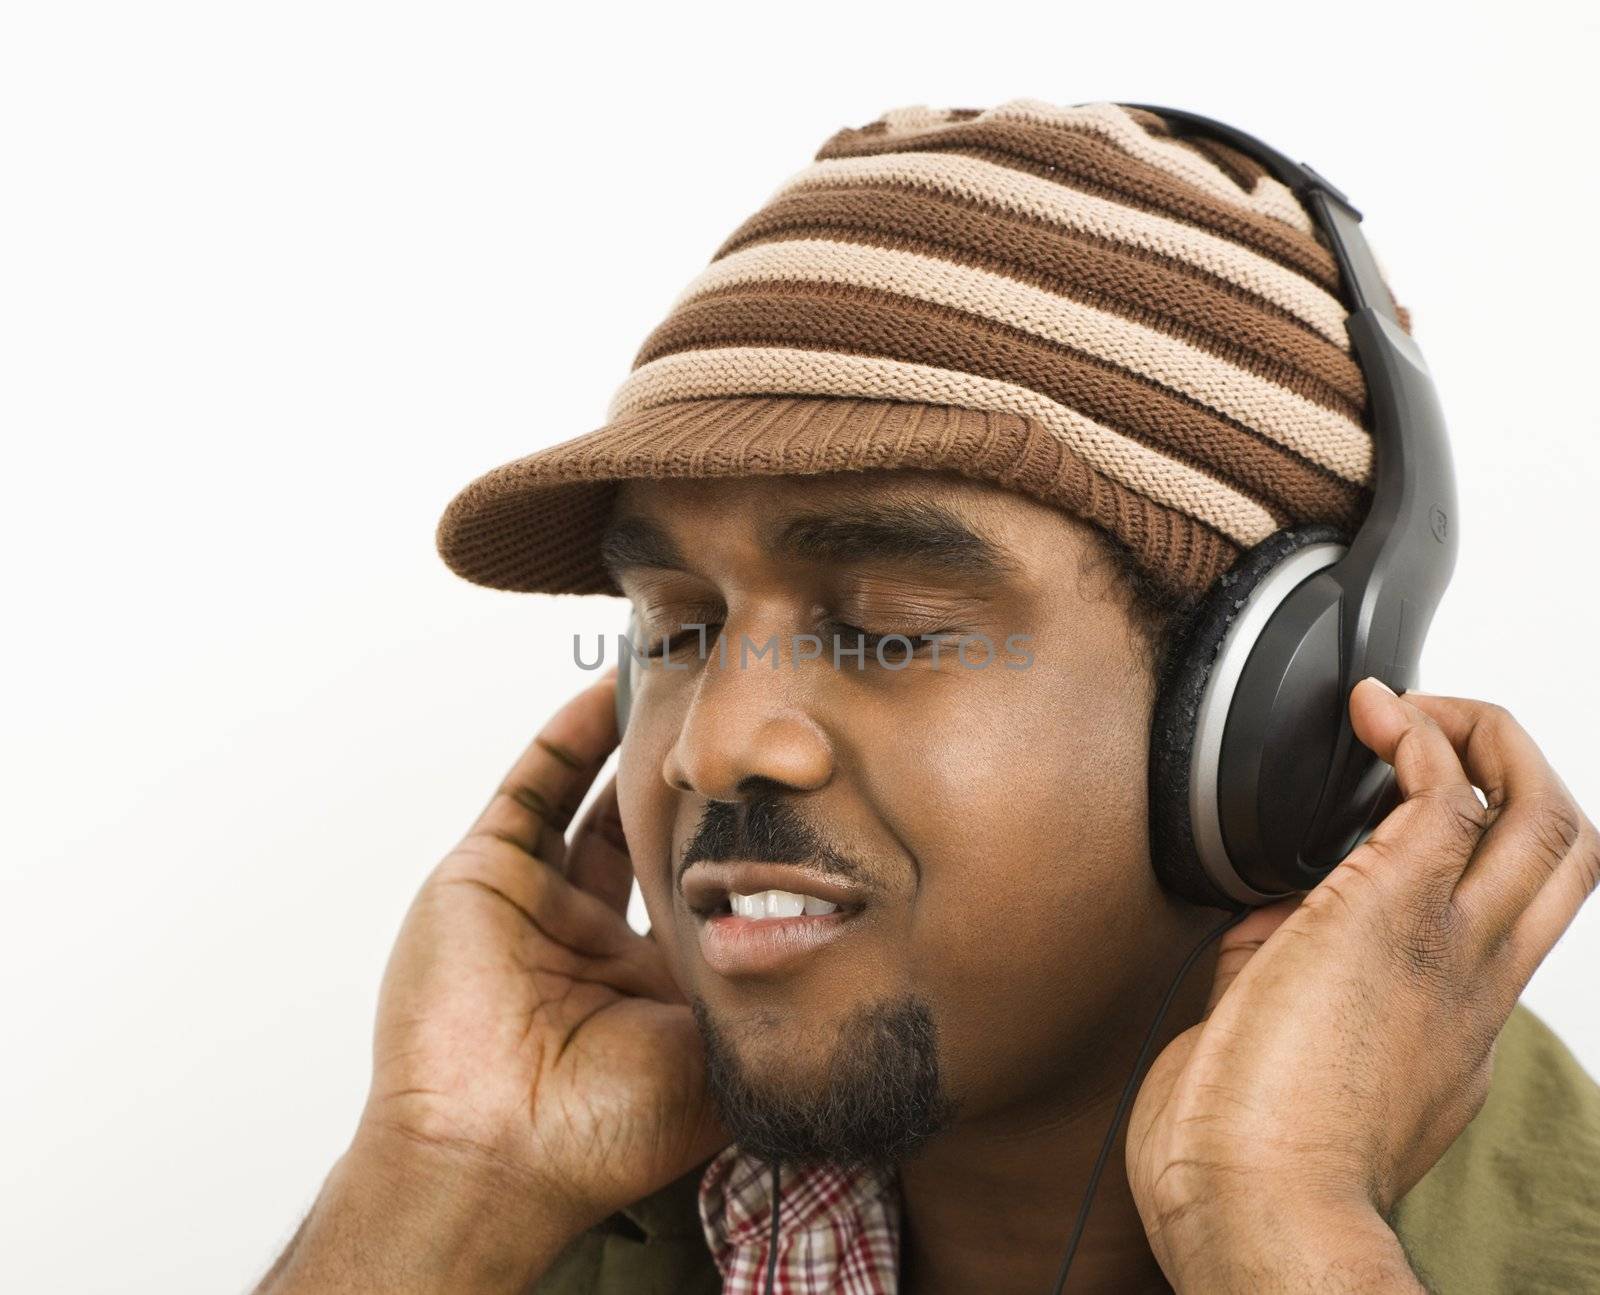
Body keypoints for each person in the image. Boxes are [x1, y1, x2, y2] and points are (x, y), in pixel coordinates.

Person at [253, 100, 1600, 1293]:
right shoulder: (485, 1229)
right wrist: (439, 1185)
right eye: (676, 630)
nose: (711, 747)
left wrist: (1280, 1225)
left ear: (1275, 717)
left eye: (888, 629)